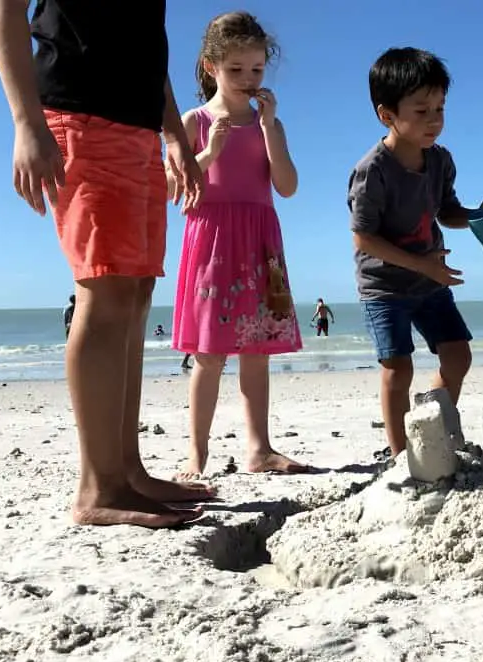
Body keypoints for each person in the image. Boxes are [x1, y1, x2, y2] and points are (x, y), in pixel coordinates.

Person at [0, 0, 213, 528]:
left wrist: (174, 134)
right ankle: (97, 486)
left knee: (134, 296)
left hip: (137, 126)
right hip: (79, 114)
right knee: (105, 290)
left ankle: (127, 470)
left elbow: (145, 41)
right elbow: (3, 7)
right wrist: (26, 123)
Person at [171, 12, 309, 479]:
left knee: (257, 350)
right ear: (211, 67)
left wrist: (269, 128)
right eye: (236, 70)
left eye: (256, 69)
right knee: (209, 354)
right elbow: (178, 192)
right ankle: (197, 453)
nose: (248, 80)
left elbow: (287, 187)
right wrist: (206, 155)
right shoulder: (194, 121)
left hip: (260, 243)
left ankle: (259, 448)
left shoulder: (271, 124)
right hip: (212, 242)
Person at [348, 47, 483, 457]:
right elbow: (363, 238)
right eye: (422, 110)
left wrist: (476, 216)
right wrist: (423, 265)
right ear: (387, 115)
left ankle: (433, 419)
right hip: (385, 286)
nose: (434, 120)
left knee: (458, 355)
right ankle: (399, 455)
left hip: (429, 280)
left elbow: (446, 212)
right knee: (398, 368)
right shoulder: (372, 170)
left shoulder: (440, 161)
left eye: (440, 109)